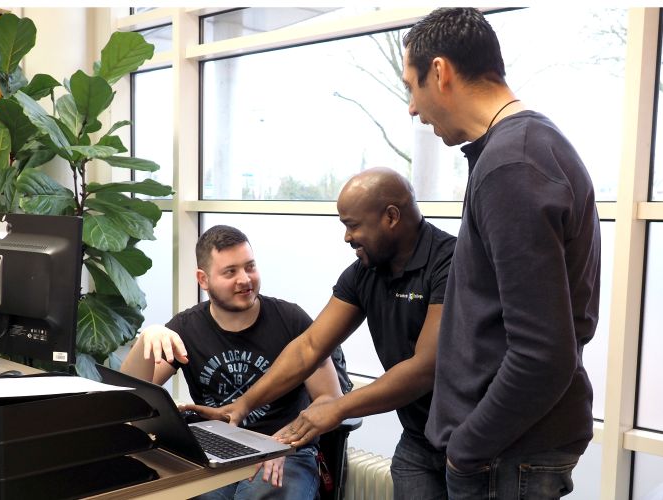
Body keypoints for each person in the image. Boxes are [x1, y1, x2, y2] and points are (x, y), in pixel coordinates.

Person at [402, 8, 601, 499]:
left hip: (504, 454)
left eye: (412, 87)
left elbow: (543, 354)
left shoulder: (512, 164)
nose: (412, 108)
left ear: (440, 72)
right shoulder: (526, 148)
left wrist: (467, 448)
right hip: (509, 448)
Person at [182, 167, 457, 499]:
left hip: (475, 438)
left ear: (391, 217)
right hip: (419, 437)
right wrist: (242, 406)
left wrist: (338, 408)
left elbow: (425, 368)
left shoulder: (451, 263)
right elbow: (309, 347)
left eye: (353, 225)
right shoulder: (364, 273)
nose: (347, 237)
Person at [120, 224, 344, 500]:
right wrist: (147, 338)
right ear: (203, 279)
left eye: (250, 267)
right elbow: (130, 398)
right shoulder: (187, 327)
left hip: (286, 450)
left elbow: (330, 399)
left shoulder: (291, 320)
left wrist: (282, 443)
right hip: (215, 449)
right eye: (230, 272)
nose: (245, 279)